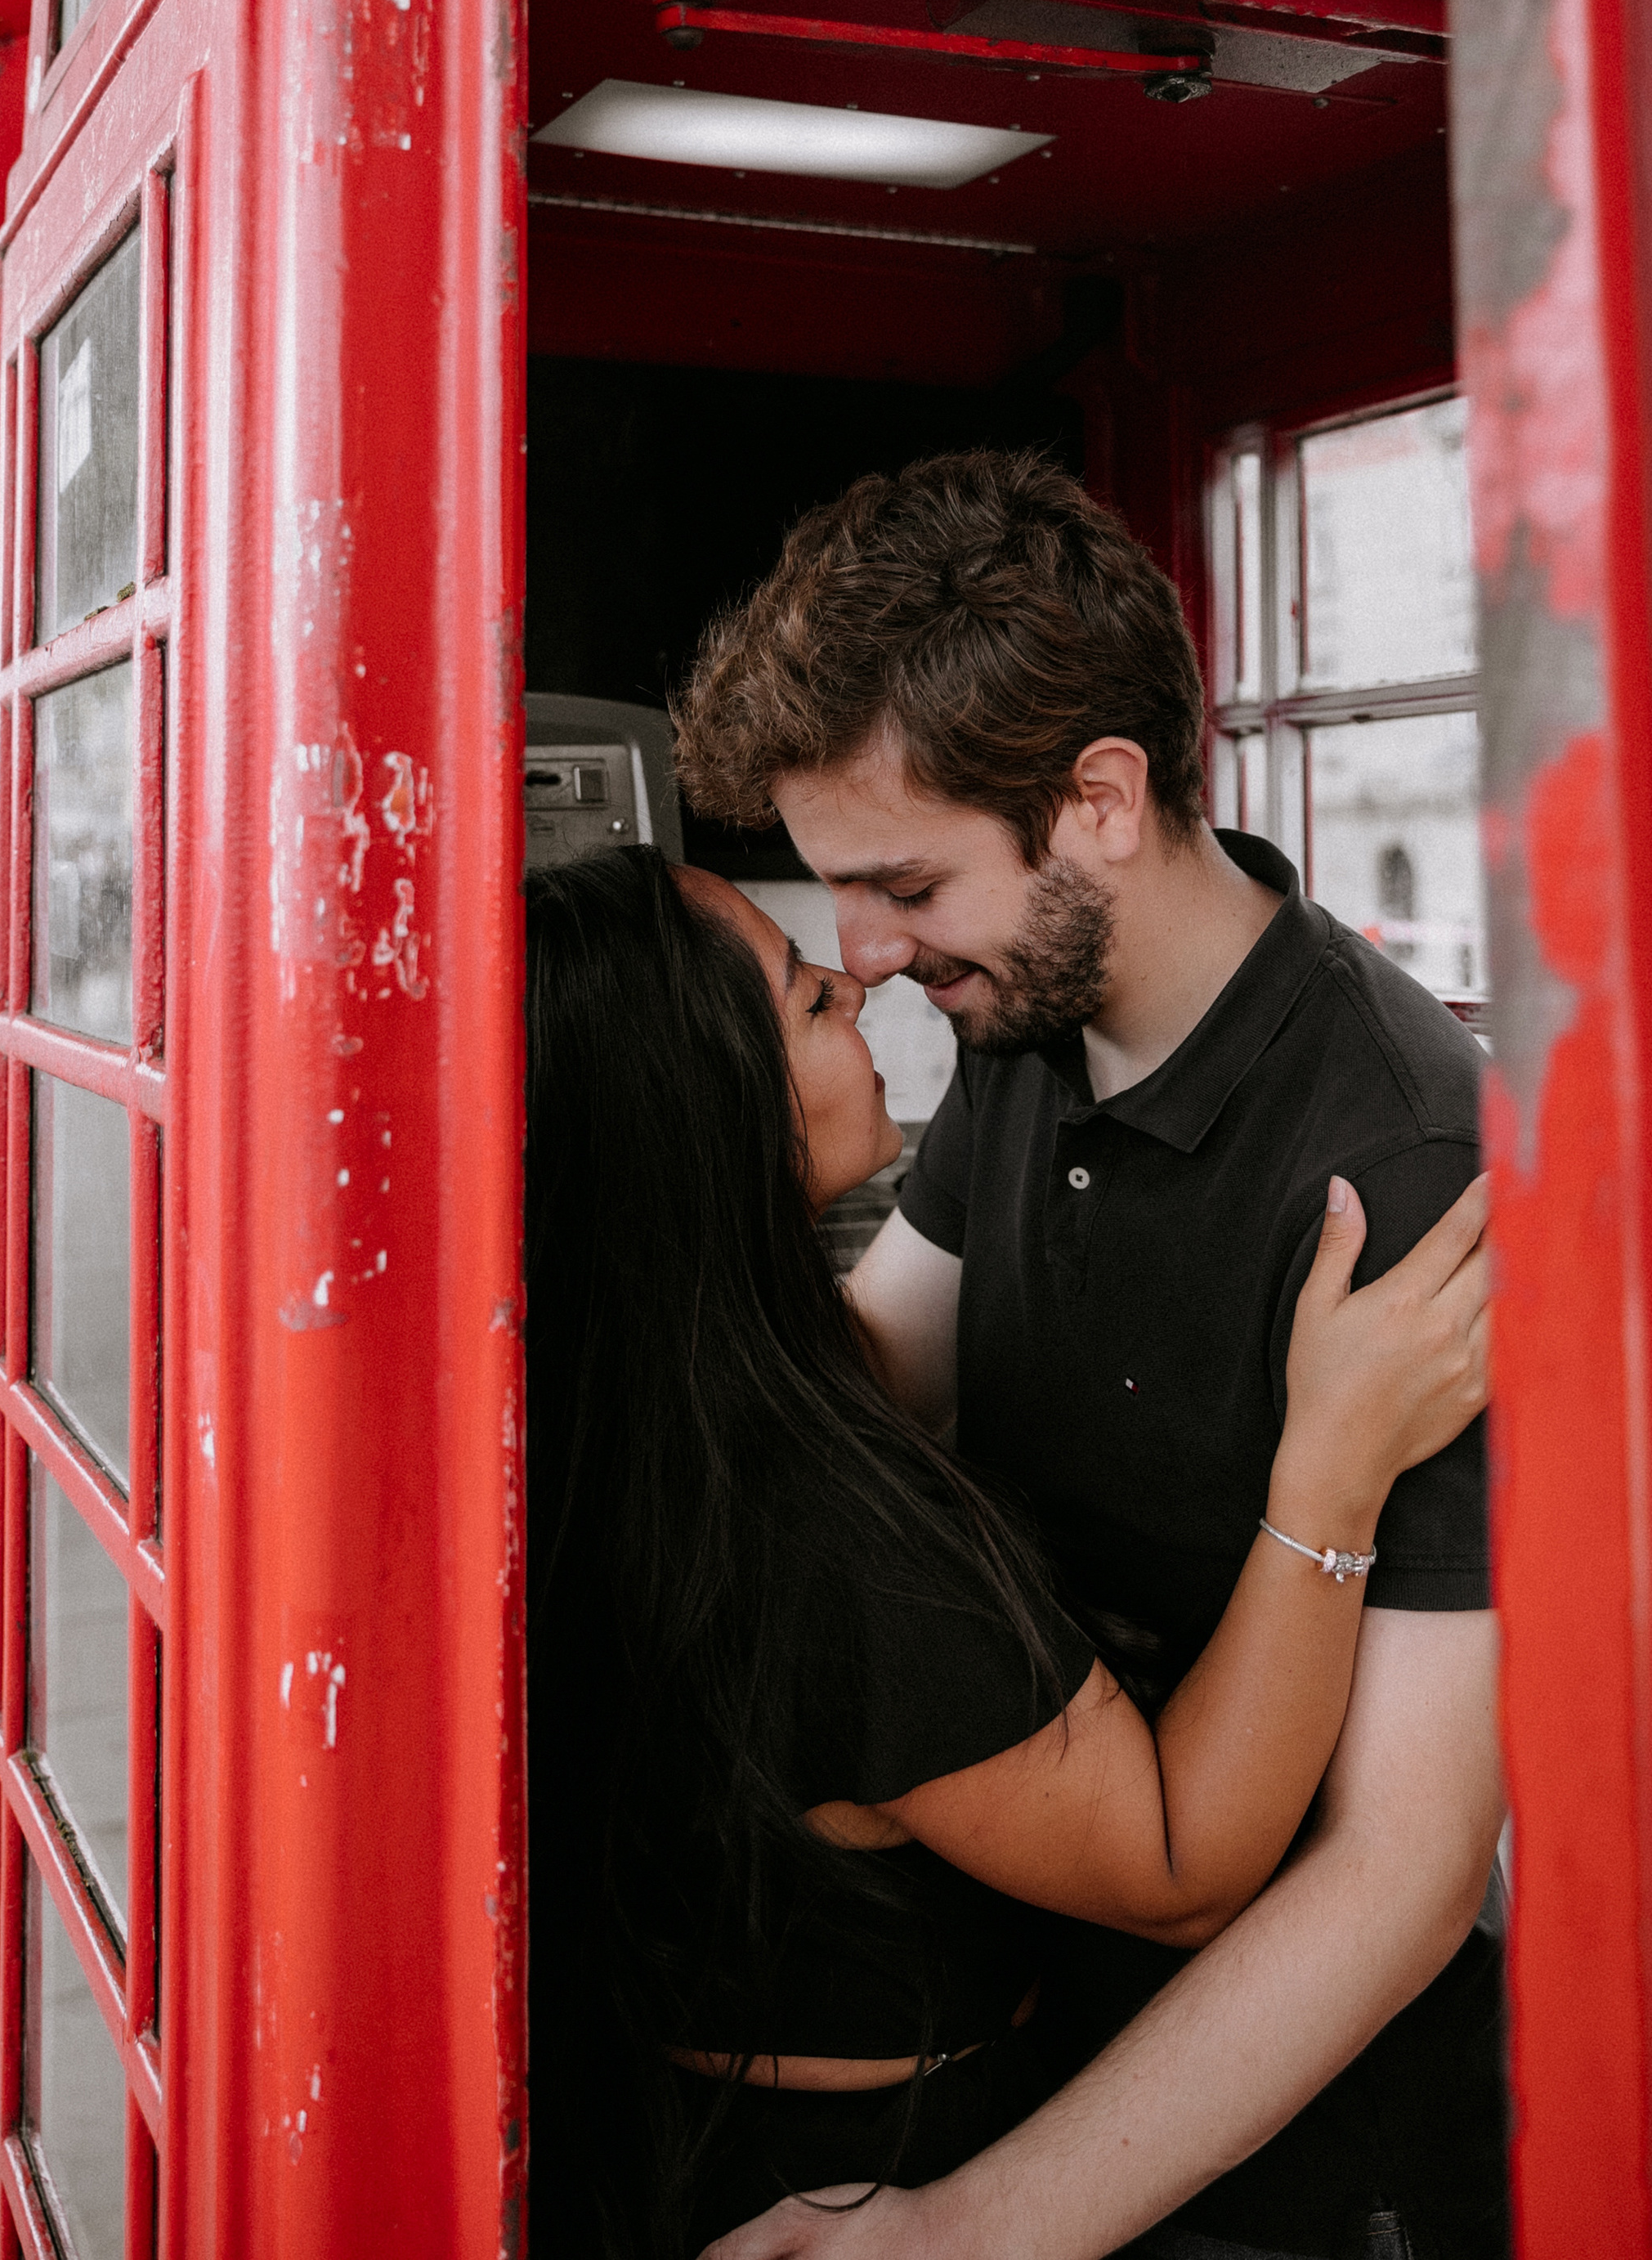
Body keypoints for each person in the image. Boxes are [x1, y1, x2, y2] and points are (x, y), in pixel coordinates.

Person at [672, 449, 1506, 2260]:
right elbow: (850, 1391)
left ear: (1100, 799)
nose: (866, 957)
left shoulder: (1399, 1166)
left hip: (1294, 2140)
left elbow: (1406, 1866)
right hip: (1048, 2001)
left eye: (899, 885)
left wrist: (967, 2235)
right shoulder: (1032, 1030)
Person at [525, 840, 1489, 2260]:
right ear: (706, 1117)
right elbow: (1181, 1862)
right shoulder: (820, 1531)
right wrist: (1331, 1468)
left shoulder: (632, 1404)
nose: (862, 974)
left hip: (683, 2136)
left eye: (906, 891)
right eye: (805, 1001)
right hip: (856, 2181)